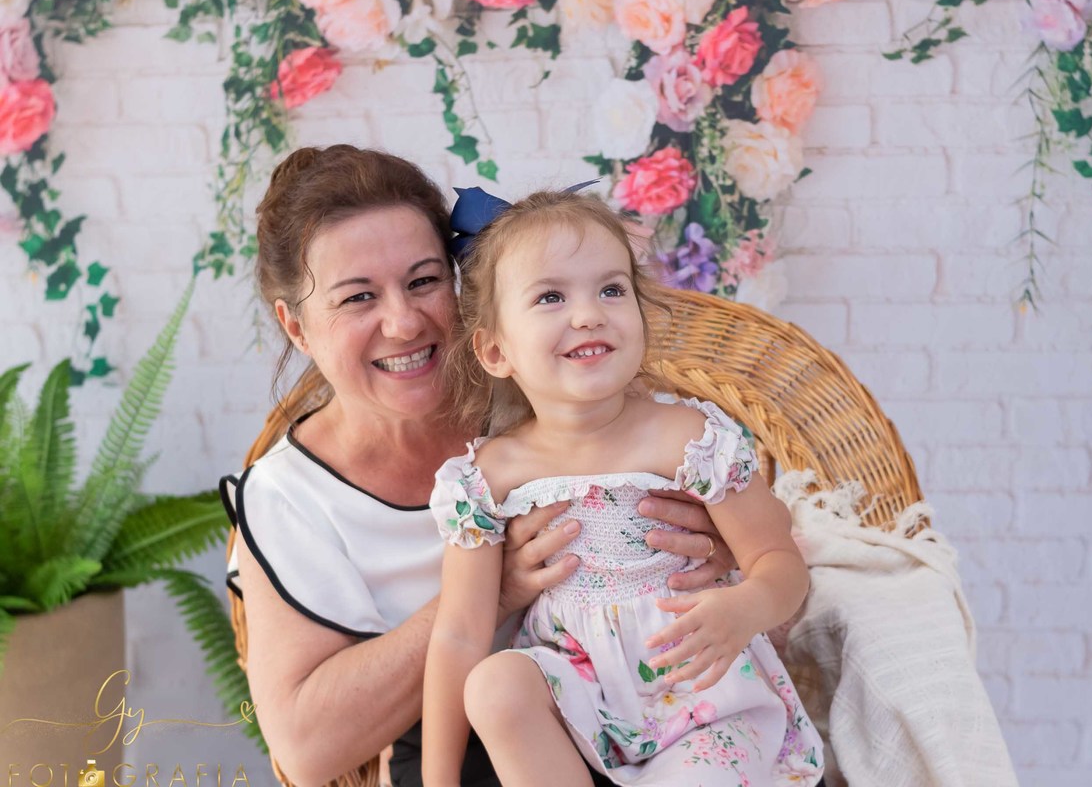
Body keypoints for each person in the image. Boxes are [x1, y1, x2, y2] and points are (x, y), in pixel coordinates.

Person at [220, 145, 737, 787]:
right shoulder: (289, 497)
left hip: (658, 719)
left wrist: (714, 553)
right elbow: (305, 750)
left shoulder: (542, 395)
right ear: (295, 326)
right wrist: (491, 589)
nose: (404, 322)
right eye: (358, 298)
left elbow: (708, 495)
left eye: (423, 281)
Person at [422, 189, 824, 786]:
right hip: (583, 699)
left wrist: (748, 605)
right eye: (551, 296)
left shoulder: (688, 439)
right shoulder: (488, 477)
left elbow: (780, 561)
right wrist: (438, 779)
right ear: (496, 350)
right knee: (495, 683)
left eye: (611, 290)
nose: (588, 313)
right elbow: (458, 633)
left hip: (702, 700)